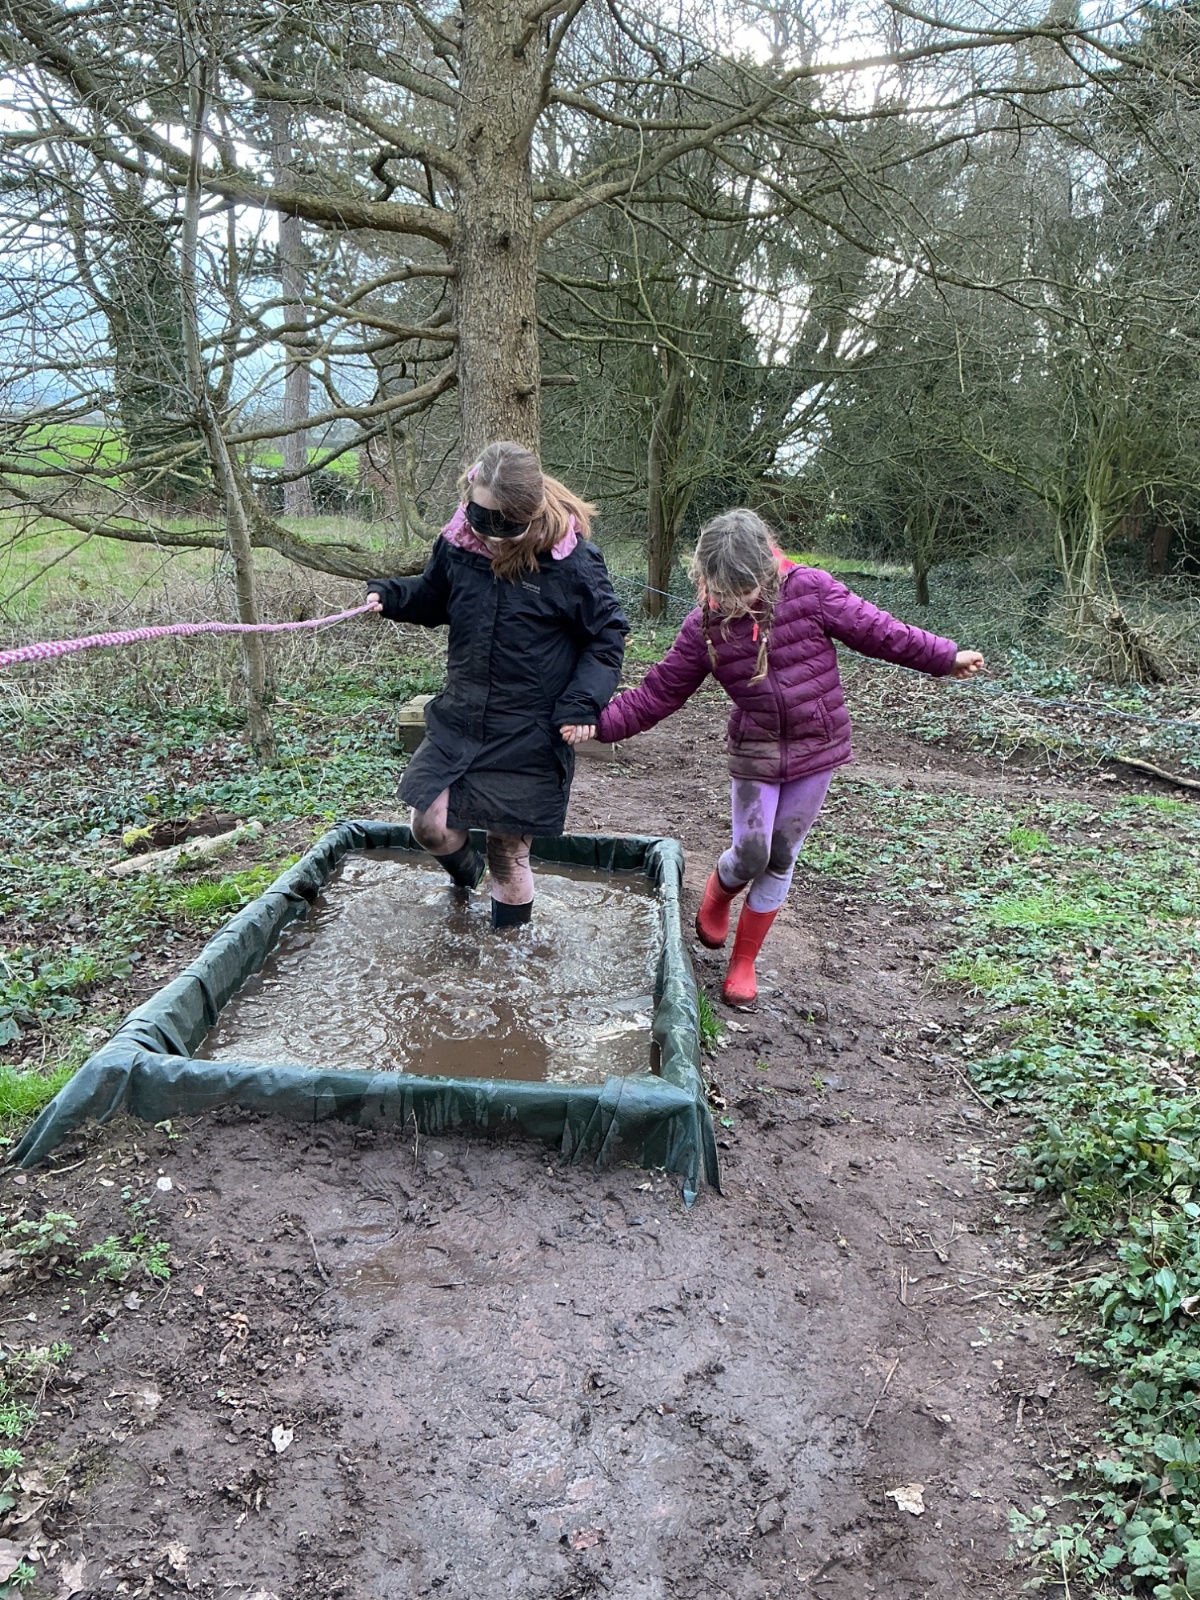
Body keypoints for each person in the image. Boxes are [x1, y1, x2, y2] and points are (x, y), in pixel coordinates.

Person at [591, 510, 985, 1004]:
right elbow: (657, 692)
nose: (733, 603)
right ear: (704, 578)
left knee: (780, 856)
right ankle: (718, 893)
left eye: (743, 591)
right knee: (751, 852)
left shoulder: (811, 590)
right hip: (755, 749)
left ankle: (743, 961)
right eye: (722, 593)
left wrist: (944, 657)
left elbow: (880, 630)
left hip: (817, 746)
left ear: (766, 569)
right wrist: (598, 725)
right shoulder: (703, 628)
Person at [365, 442, 627, 927]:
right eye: (480, 518)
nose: (489, 535)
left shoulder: (574, 563)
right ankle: (468, 887)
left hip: (529, 730)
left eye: (504, 525)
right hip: (462, 716)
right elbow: (434, 596)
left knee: (508, 854)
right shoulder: (459, 544)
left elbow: (606, 639)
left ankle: (508, 958)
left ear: (530, 512)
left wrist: (582, 703)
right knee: (429, 825)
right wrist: (392, 595)